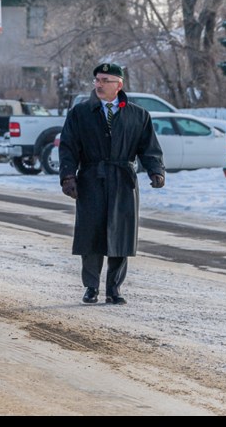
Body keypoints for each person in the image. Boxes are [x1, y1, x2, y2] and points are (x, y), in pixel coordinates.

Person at [58, 62, 165, 305]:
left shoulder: (138, 115)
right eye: (97, 79)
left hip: (123, 180)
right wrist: (68, 176)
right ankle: (91, 287)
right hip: (91, 178)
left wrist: (155, 170)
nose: (99, 84)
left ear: (119, 85)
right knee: (91, 234)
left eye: (105, 80)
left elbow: (149, 148)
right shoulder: (80, 113)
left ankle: (114, 289)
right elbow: (68, 147)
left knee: (121, 235)